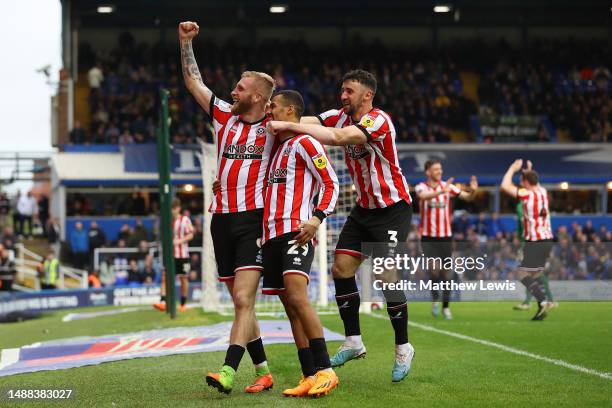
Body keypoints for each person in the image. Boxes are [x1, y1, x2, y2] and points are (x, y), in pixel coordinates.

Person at [268, 69, 415, 382]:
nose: (342, 96)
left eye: (349, 91)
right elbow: (310, 122)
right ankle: (354, 341)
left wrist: (287, 125)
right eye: (342, 90)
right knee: (341, 270)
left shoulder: (378, 120)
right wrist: (278, 121)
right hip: (364, 210)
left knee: (386, 274)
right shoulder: (338, 116)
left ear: (366, 95)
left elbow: (337, 138)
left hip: (392, 209)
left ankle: (403, 347)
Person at [178, 20, 275, 394]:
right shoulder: (224, 115)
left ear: (258, 97)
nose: (233, 91)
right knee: (241, 304)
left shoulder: (275, 126)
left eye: (241, 87)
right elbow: (193, 83)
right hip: (221, 219)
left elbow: (308, 131)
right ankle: (263, 371)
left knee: (241, 299)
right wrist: (185, 43)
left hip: (254, 220)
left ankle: (228, 371)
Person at [264, 90, 340, 397]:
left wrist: (317, 217)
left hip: (296, 231)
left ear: (291, 110)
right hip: (270, 236)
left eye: (273, 105)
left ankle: (326, 370)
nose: (268, 109)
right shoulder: (277, 149)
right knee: (290, 307)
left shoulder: (305, 142)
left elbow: (331, 182)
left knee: (298, 297)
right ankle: (308, 374)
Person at [415, 160, 478, 320]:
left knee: (446, 273)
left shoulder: (448, 186)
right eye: (436, 169)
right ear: (428, 172)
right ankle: (435, 299)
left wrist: (474, 191)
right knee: (434, 271)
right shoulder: (421, 186)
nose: (440, 171)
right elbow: (423, 196)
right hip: (428, 237)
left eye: (440, 169)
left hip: (445, 237)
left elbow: (468, 197)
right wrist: (441, 190)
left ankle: (446, 307)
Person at [500, 159, 554, 321]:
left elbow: (505, 186)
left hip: (535, 240)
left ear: (525, 183)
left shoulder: (527, 194)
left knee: (523, 273)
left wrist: (512, 168)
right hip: (547, 239)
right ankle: (542, 306)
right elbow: (533, 181)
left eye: (522, 181)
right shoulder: (542, 191)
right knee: (535, 273)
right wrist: (528, 171)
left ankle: (543, 300)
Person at [153, 199, 193, 312]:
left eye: (174, 208)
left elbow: (191, 235)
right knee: (165, 277)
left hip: (183, 255)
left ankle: (183, 303)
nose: (172, 211)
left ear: (178, 208)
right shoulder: (167, 221)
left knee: (183, 278)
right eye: (170, 209)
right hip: (170, 255)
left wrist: (179, 241)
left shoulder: (185, 220)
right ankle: (163, 301)